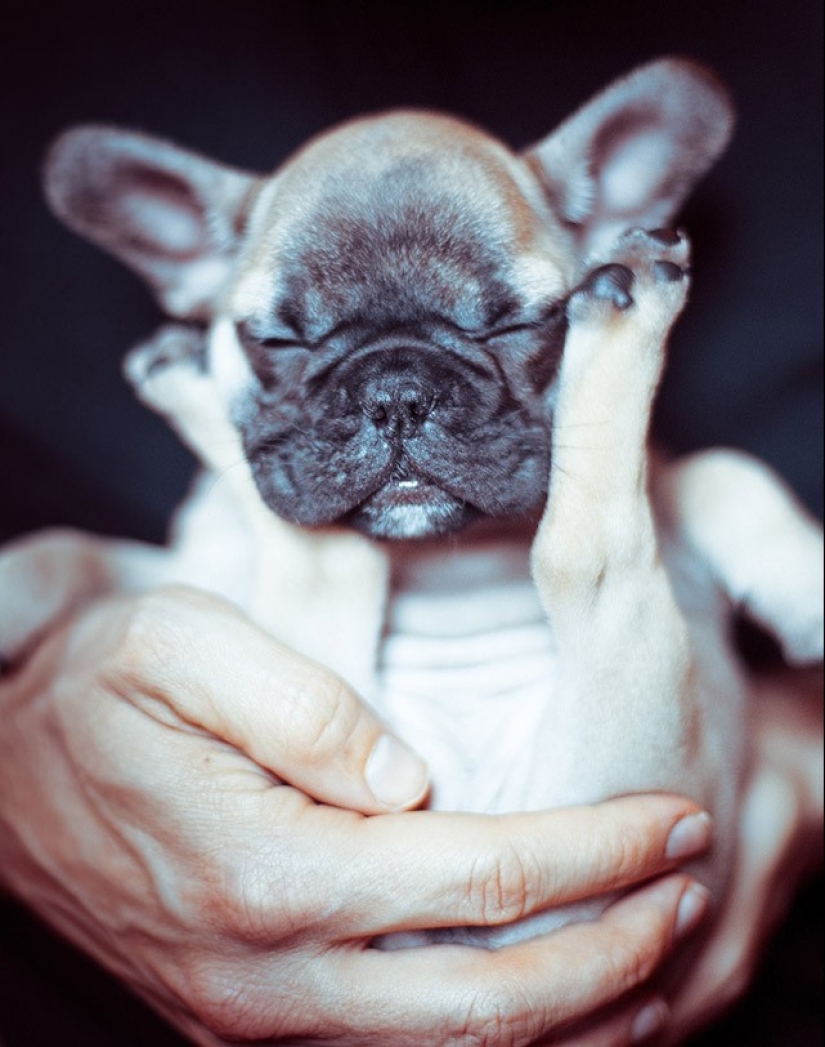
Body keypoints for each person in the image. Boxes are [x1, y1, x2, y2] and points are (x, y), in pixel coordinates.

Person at [1, 1, 821, 1044]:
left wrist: (806, 753)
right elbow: (146, 604)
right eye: (286, 344)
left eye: (514, 322)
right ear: (193, 274)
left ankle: (605, 459)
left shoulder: (698, 492)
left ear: (604, 236)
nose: (395, 411)